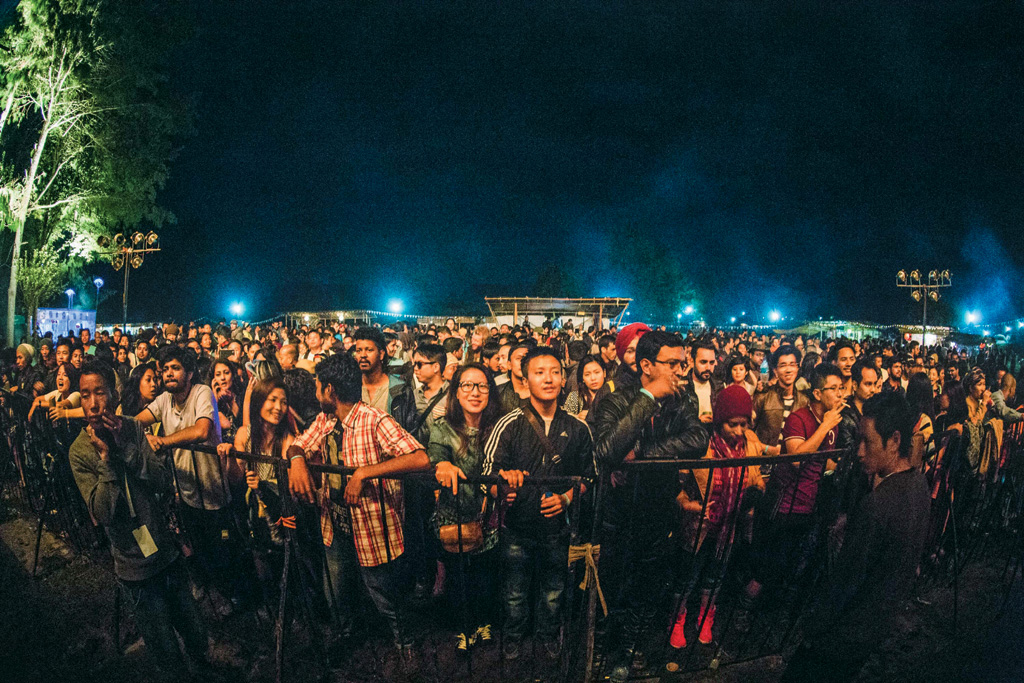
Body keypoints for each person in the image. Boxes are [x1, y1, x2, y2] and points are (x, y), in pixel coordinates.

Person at [286, 352, 431, 675]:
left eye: (318, 387)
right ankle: (348, 634)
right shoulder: (325, 421)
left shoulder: (374, 420)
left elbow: (420, 459)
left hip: (373, 525)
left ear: (330, 391)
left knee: (384, 594)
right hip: (334, 522)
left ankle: (404, 643)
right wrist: (296, 460)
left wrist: (366, 472)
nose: (315, 393)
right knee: (335, 589)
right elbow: (298, 444)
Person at [68, 361, 209, 675]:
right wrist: (106, 462)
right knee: (164, 646)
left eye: (99, 393)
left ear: (114, 394)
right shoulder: (79, 451)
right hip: (134, 564)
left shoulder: (131, 426)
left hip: (164, 548)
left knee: (194, 629)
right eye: (85, 394)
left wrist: (126, 448)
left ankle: (204, 667)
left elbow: (160, 480)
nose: (92, 403)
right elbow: (102, 512)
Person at [781, 393, 930, 683]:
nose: (860, 452)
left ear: (895, 440)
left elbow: (845, 582)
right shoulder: (918, 484)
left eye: (867, 442)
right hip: (873, 628)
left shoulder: (877, 505)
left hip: (842, 637)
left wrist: (813, 627)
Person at [591, 331, 708, 682]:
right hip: (618, 514)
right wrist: (647, 397)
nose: (680, 371)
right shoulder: (616, 398)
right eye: (672, 364)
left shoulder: (680, 401)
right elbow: (608, 450)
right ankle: (603, 649)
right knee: (612, 586)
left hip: (660, 512)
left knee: (648, 587)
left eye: (682, 363)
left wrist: (642, 455)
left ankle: (630, 648)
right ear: (646, 365)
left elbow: (699, 439)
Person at [482, 346, 595, 663]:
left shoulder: (578, 428)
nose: (548, 378)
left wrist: (567, 498)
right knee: (514, 592)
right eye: (539, 372)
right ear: (525, 378)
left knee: (553, 590)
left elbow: (588, 476)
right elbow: (489, 474)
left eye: (555, 372)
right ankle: (513, 638)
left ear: (563, 378)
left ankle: (547, 637)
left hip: (558, 531)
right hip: (516, 528)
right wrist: (502, 490)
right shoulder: (509, 424)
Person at [135, 346, 237, 613]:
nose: (168, 374)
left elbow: (203, 429)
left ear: (189, 373)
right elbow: (138, 421)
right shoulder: (164, 400)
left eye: (175, 368)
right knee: (197, 543)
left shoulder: (201, 393)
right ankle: (206, 588)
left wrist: (164, 441)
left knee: (223, 545)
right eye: (165, 369)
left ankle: (233, 595)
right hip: (187, 488)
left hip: (214, 489)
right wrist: (138, 432)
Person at [668, 385, 770, 649]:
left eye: (743, 424)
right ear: (719, 419)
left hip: (730, 526)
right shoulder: (701, 444)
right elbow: (674, 483)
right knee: (687, 577)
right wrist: (687, 505)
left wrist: (753, 496)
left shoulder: (751, 443)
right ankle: (678, 619)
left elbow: (758, 480)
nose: (738, 431)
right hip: (698, 526)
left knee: (716, 576)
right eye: (731, 424)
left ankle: (706, 616)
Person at [429, 364, 502, 651]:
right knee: (458, 577)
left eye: (482, 386)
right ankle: (463, 629)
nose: (475, 392)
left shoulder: (499, 427)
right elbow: (436, 453)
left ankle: (483, 624)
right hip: (453, 516)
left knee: (486, 575)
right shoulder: (442, 427)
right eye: (467, 385)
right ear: (456, 393)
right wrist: (442, 464)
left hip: (489, 517)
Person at [752, 345, 807, 452]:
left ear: (797, 368)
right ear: (775, 371)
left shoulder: (804, 401)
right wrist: (767, 449)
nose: (788, 370)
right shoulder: (763, 397)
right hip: (765, 464)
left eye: (792, 365)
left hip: (791, 465)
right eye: (783, 365)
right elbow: (747, 432)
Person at [687, 340, 722, 424]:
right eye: (703, 362)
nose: (708, 367)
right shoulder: (681, 388)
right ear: (692, 361)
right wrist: (697, 422)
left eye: (712, 363)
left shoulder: (719, 387)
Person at [562, 355, 606, 420]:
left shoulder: (612, 394)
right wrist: (577, 418)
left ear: (604, 373)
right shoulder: (575, 397)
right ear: (582, 378)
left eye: (597, 372)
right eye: (587, 374)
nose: (593, 378)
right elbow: (564, 422)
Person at [495, 342, 531, 414]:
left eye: (526, 358)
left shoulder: (542, 392)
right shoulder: (498, 393)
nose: (522, 362)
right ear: (509, 365)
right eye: (518, 358)